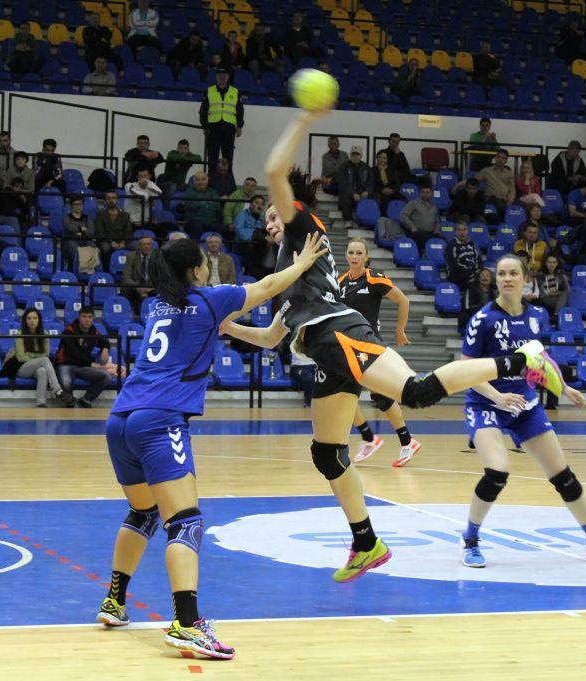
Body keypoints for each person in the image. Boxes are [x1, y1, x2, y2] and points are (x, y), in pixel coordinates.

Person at [219, 107, 566, 586]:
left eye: (273, 214)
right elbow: (270, 337)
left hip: (339, 334)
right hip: (323, 350)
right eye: (268, 219)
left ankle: (521, 358)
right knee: (326, 453)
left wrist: (302, 119)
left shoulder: (302, 229)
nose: (269, 222)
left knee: (416, 392)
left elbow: (275, 170)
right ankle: (366, 543)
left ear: (291, 207)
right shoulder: (292, 271)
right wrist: (228, 326)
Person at [95, 226, 328, 659]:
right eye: (203, 262)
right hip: (160, 418)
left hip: (121, 417)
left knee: (143, 512)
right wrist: (302, 263)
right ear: (195, 269)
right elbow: (267, 286)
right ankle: (187, 624)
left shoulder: (158, 304)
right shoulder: (209, 299)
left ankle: (114, 601)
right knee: (185, 523)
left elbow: (233, 328)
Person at [459, 254, 586, 568]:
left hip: (525, 404)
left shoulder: (536, 316)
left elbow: (537, 360)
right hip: (486, 403)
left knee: (563, 476)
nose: (507, 278)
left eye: (513, 273)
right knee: (497, 472)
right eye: (502, 274)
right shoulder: (483, 319)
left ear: (525, 279)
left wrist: (562, 387)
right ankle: (470, 540)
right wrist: (497, 397)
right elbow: (466, 369)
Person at [337, 238, 420, 467]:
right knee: (343, 394)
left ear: (366, 257)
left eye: (359, 253)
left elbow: (403, 301)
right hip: (348, 346)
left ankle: (406, 441)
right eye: (351, 252)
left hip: (370, 345)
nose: (354, 256)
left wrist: (400, 330)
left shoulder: (374, 278)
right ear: (346, 255)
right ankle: (369, 438)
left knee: (380, 396)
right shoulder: (340, 282)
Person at [1, 308, 74, 407]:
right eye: (29, 318)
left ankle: (41, 403)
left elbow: (46, 353)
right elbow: (21, 357)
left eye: (35, 318)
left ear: (39, 320)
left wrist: (29, 354)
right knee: (44, 360)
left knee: (42, 371)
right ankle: (57, 390)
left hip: (35, 367)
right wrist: (36, 357)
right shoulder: (20, 334)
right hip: (20, 367)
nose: (32, 321)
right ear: (25, 321)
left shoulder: (44, 334)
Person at [55, 307, 118, 408]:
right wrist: (92, 364)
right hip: (65, 365)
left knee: (106, 377)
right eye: (84, 317)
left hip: (83, 367)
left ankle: (85, 400)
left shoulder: (93, 331)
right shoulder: (69, 331)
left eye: (90, 317)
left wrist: (105, 348)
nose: (87, 320)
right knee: (66, 382)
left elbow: (104, 341)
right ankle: (70, 403)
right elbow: (73, 354)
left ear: (93, 319)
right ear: (79, 318)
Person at [200, 69, 244, 174]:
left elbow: (240, 110)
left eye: (224, 75)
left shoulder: (235, 92)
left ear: (228, 77)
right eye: (220, 75)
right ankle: (211, 179)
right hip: (213, 128)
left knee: (228, 158)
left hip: (229, 128)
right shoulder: (209, 91)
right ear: (216, 77)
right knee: (212, 157)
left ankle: (228, 180)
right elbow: (203, 111)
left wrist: (239, 126)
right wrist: (204, 126)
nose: (222, 77)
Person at [95, 190, 133, 270]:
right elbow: (99, 232)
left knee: (136, 246)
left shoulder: (125, 215)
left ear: (117, 200)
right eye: (108, 198)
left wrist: (123, 242)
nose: (111, 200)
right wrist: (111, 242)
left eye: (113, 198)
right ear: (105, 200)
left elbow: (129, 232)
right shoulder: (100, 214)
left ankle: (132, 271)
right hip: (106, 240)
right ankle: (107, 271)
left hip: (122, 241)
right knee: (106, 248)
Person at [476, 148, 515, 224]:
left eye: (503, 158)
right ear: (495, 158)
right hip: (491, 198)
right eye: (499, 157)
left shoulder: (509, 173)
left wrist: (509, 201)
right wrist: (458, 185)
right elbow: (473, 181)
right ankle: (502, 224)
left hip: (504, 200)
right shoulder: (486, 171)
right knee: (501, 206)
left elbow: (512, 190)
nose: (500, 160)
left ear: (506, 160)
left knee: (517, 209)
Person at [63, 195, 98, 274]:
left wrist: (80, 232)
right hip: (71, 240)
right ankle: (81, 270)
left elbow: (91, 231)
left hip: (85, 240)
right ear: (71, 206)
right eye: (75, 204)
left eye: (80, 204)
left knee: (92, 245)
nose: (78, 206)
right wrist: (83, 229)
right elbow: (69, 227)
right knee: (74, 247)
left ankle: (89, 271)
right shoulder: (67, 217)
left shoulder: (87, 218)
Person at [398, 185, 440, 252]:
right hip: (416, 231)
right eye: (423, 192)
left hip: (430, 233)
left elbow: (437, 221)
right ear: (420, 193)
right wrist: (412, 227)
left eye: (427, 192)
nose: (425, 194)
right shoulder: (413, 203)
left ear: (431, 194)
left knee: (441, 240)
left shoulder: (434, 207)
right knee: (422, 239)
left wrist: (436, 230)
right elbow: (403, 215)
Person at [337, 146, 372, 224]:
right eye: (353, 154)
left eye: (357, 154)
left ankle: (368, 221)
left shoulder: (366, 167)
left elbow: (371, 182)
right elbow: (343, 183)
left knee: (375, 196)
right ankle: (348, 220)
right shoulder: (344, 166)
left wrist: (367, 191)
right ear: (350, 155)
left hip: (362, 192)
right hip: (349, 193)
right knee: (345, 197)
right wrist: (353, 193)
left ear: (361, 156)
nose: (355, 156)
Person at [121, 235, 155, 313]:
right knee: (125, 289)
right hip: (136, 286)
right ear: (139, 246)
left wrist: (150, 288)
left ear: (152, 245)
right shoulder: (131, 256)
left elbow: (161, 276)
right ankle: (127, 312)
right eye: (144, 244)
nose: (146, 246)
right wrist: (138, 287)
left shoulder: (158, 256)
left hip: (152, 286)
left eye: (149, 244)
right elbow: (126, 276)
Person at [182, 171, 220, 239]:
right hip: (193, 222)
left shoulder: (213, 191)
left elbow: (217, 206)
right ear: (194, 181)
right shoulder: (189, 192)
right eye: (198, 180)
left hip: (211, 222)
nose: (201, 182)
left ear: (207, 181)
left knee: (220, 227)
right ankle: (195, 245)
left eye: (203, 179)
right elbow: (189, 205)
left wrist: (200, 203)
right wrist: (207, 202)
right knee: (197, 226)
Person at [445, 221, 483, 290]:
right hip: (456, 275)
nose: (462, 232)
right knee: (474, 279)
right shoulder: (452, 246)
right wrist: (471, 272)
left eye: (464, 230)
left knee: (487, 276)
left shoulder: (472, 244)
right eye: (459, 230)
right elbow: (453, 266)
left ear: (467, 231)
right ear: (455, 232)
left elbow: (478, 259)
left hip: (471, 273)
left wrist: (478, 270)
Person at [537, 255, 569, 320]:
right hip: (546, 298)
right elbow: (538, 292)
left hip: (558, 298)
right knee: (563, 301)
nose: (552, 265)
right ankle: (557, 314)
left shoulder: (560, 274)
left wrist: (564, 277)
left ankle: (556, 315)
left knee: (566, 292)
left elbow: (567, 289)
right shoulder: (539, 275)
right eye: (549, 262)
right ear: (545, 263)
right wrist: (547, 294)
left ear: (557, 264)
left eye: (554, 262)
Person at [371, 149, 401, 214]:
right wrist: (382, 190)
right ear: (377, 158)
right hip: (380, 193)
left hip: (392, 192)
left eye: (384, 158)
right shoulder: (372, 170)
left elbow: (397, 183)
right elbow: (372, 184)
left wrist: (393, 191)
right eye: (380, 157)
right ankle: (384, 218)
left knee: (403, 199)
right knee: (384, 199)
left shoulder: (392, 170)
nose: (382, 160)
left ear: (387, 160)